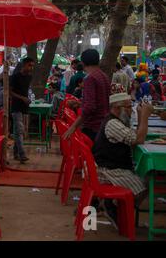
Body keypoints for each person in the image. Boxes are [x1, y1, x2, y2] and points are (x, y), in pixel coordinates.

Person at [92, 92, 151, 227]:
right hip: (109, 170)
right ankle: (113, 207)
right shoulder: (113, 123)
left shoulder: (117, 121)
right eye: (129, 107)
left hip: (113, 166)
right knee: (143, 187)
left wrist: (142, 115)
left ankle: (117, 207)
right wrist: (145, 116)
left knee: (147, 177)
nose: (131, 111)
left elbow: (135, 135)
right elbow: (139, 139)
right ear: (117, 108)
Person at [64, 49, 111, 142]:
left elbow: (90, 107)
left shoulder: (90, 78)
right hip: (104, 124)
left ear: (83, 63)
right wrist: (79, 103)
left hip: (92, 127)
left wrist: (74, 126)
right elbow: (99, 101)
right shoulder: (104, 76)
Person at [10, 57, 35, 163]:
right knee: (19, 130)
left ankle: (15, 153)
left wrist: (28, 98)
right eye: (29, 65)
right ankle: (22, 154)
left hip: (25, 106)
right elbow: (10, 92)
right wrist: (22, 98)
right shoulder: (15, 76)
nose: (31, 68)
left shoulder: (29, 77)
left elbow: (26, 90)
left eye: (32, 66)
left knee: (19, 131)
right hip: (16, 106)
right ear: (24, 64)